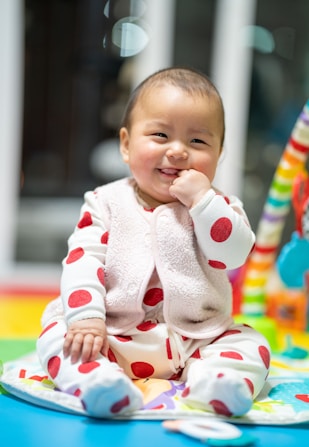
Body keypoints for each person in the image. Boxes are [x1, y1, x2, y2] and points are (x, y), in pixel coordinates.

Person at [37, 67, 270, 418]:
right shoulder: (105, 202)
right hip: (110, 333)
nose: (177, 151)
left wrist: (203, 203)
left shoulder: (219, 207)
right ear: (127, 145)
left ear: (219, 154)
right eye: (160, 135)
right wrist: (87, 319)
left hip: (195, 337)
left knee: (251, 344)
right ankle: (98, 383)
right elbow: (83, 259)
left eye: (198, 141)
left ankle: (216, 384)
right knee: (57, 334)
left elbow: (234, 254)